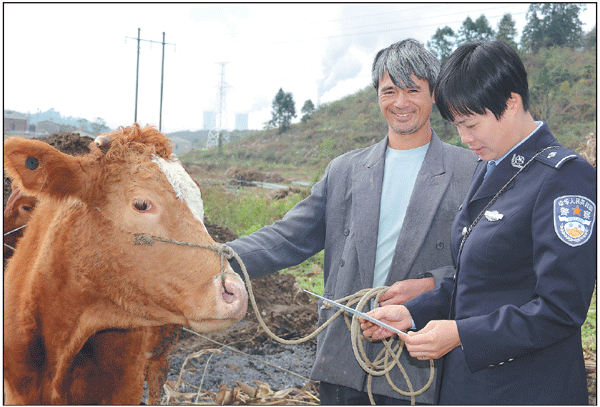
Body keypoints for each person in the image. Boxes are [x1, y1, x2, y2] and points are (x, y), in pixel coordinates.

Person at [226, 38, 477, 405]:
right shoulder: (345, 170)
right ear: (377, 94)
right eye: (389, 90)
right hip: (343, 358)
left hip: (418, 364)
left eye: (413, 89)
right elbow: (288, 237)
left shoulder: (470, 171)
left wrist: (429, 285)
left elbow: (487, 265)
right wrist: (217, 256)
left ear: (434, 94)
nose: (401, 102)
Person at [361, 40, 596, 405]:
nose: (464, 138)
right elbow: (474, 279)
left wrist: (461, 335)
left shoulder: (564, 178)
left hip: (527, 390)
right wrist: (412, 312)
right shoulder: (490, 169)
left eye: (471, 124)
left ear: (512, 103)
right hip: (470, 389)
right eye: (457, 126)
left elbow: (561, 309)